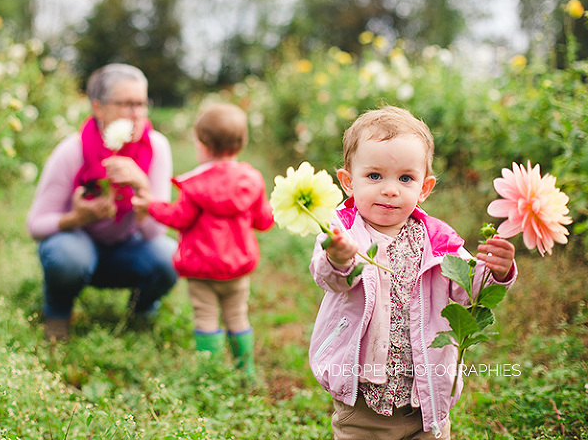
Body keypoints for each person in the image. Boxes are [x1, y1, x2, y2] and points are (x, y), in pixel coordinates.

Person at [308, 105, 517, 439]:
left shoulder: (438, 240)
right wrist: (338, 257)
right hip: (363, 404)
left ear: (425, 187)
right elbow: (329, 277)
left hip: (427, 401)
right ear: (348, 181)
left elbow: (468, 291)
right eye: (374, 176)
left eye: (405, 178)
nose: (391, 189)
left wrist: (496, 272)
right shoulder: (342, 233)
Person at [27, 63, 178, 341]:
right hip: (78, 246)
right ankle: (57, 313)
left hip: (127, 250)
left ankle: (141, 312)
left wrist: (142, 186)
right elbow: (35, 225)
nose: (137, 113)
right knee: (67, 256)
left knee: (169, 256)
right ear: (98, 108)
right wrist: (76, 219)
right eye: (126, 104)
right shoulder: (71, 151)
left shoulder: (157, 147)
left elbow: (156, 233)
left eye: (142, 103)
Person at [132, 102, 274, 375]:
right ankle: (246, 370)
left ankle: (210, 376)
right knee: (237, 315)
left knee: (206, 318)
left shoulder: (196, 186)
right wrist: (277, 209)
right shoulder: (252, 181)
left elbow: (179, 218)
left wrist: (151, 205)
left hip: (202, 268)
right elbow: (263, 221)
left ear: (204, 145)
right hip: (237, 269)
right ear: (241, 144)